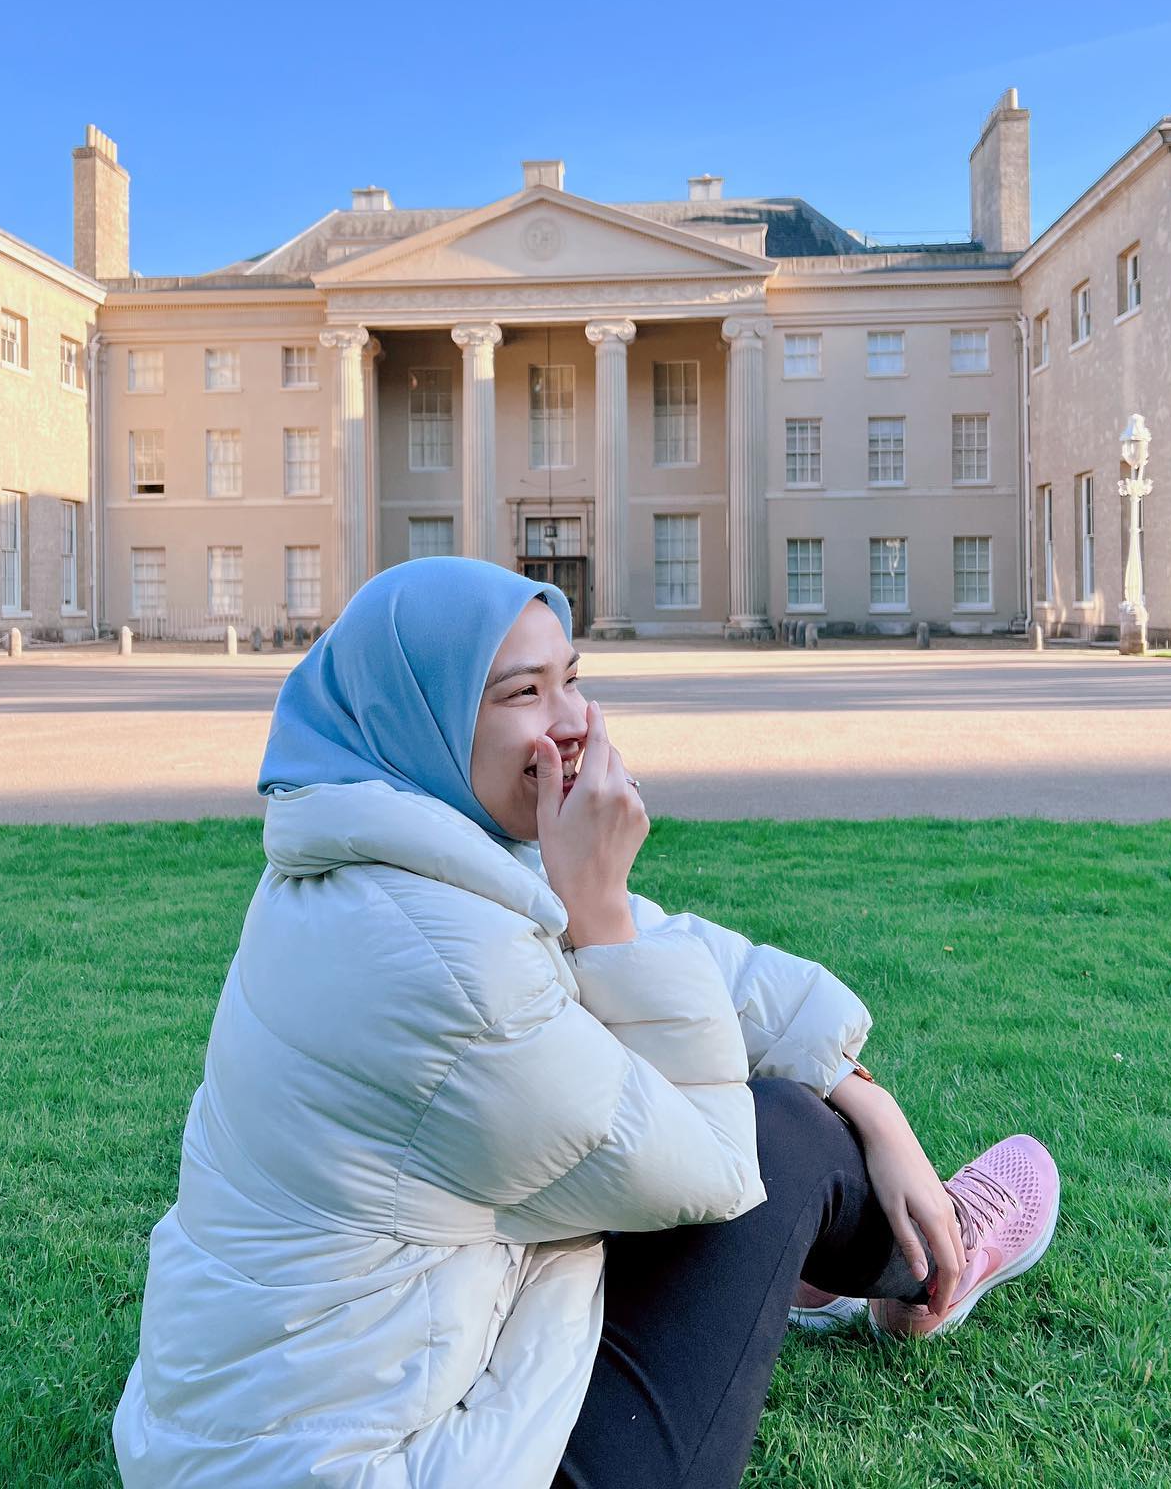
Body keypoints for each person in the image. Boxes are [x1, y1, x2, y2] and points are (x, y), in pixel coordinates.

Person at [113, 558, 1059, 1488]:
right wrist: (599, 905)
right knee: (783, 1137)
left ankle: (821, 1267)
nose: (574, 724)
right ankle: (935, 1256)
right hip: (385, 1465)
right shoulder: (448, 966)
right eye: (522, 693)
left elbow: (669, 946)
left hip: (269, 1438)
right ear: (426, 722)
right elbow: (720, 1166)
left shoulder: (384, 859)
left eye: (572, 679)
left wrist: (870, 1098)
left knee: (695, 1066)